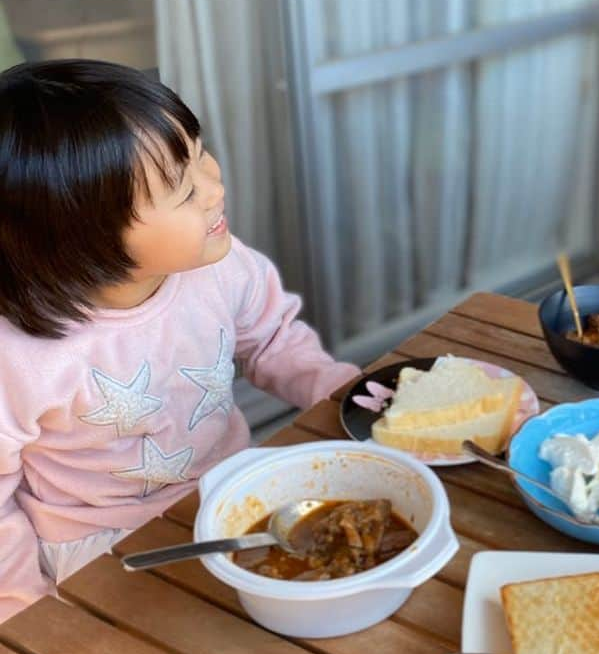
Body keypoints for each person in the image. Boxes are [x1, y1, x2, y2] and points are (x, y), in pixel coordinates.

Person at [0, 60, 360, 622]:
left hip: (235, 496)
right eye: (183, 188)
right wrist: (24, 608)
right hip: (102, 550)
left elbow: (271, 341)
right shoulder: (17, 357)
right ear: (79, 235)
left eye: (200, 152)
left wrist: (346, 393)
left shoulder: (218, 265)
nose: (215, 188)